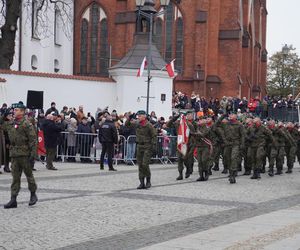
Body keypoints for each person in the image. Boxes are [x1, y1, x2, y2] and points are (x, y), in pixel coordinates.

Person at [2, 102, 38, 209]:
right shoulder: (11, 123)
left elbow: (33, 140)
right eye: (14, 110)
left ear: (22, 112)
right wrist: (3, 115)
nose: (14, 111)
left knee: (29, 176)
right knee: (15, 178)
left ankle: (33, 195)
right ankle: (13, 199)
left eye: (17, 110)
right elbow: (1, 124)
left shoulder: (26, 124)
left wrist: (33, 154)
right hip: (14, 154)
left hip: (25, 154)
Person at [135, 110, 157, 189]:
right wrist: (130, 118)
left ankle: (148, 180)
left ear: (144, 116)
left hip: (147, 146)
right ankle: (141, 182)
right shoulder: (137, 123)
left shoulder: (149, 125)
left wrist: (154, 146)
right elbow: (127, 124)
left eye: (140, 116)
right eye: (138, 116)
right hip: (139, 146)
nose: (138, 117)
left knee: (145, 164)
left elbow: (154, 135)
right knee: (140, 165)